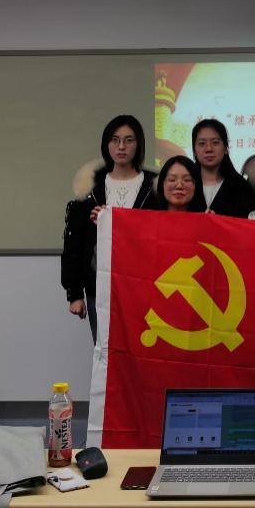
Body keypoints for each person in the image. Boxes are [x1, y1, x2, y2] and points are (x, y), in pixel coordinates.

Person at [61, 114, 158, 344]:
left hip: (144, 288)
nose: (121, 146)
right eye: (115, 140)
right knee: (104, 352)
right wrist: (74, 294)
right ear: (106, 144)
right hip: (99, 288)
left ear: (139, 144)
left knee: (143, 351)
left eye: (129, 140)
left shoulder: (155, 186)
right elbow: (73, 244)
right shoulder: (90, 188)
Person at [191, 119, 255, 217]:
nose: (209, 149)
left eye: (215, 143)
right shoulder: (185, 185)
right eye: (202, 143)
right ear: (194, 150)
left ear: (226, 148)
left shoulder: (241, 188)